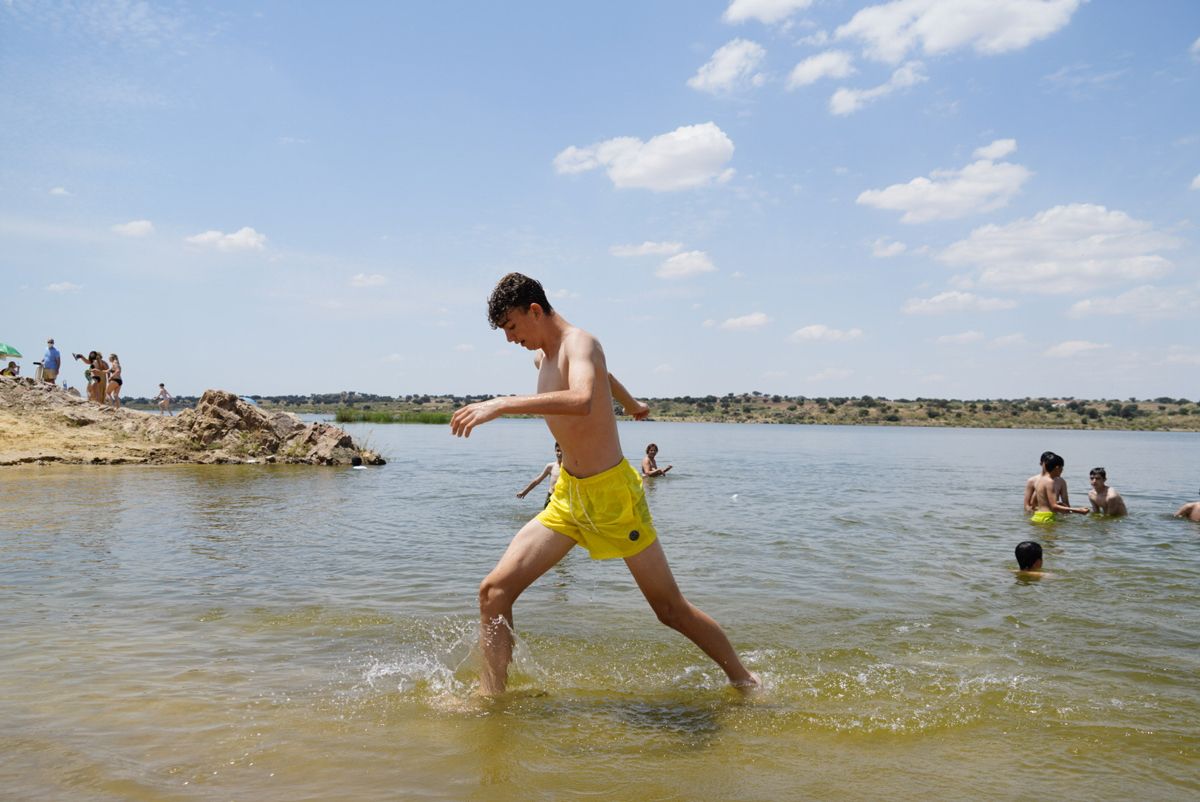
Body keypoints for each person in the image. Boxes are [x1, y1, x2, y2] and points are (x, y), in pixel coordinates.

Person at [450, 272, 759, 696]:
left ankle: (745, 681)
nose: (510, 339)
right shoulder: (543, 357)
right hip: (568, 498)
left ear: (534, 310)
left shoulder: (581, 342)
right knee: (494, 592)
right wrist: (633, 404)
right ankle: (492, 698)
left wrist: (502, 404)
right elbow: (604, 378)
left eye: (512, 327)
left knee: (669, 610)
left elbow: (583, 398)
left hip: (613, 497)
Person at [1030, 453, 1089, 523]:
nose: (1062, 470)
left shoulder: (1039, 480)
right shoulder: (1050, 482)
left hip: (1037, 516)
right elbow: (1054, 506)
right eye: (1062, 468)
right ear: (1057, 468)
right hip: (1047, 518)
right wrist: (1078, 510)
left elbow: (1032, 503)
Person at [516, 442, 563, 507]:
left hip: (563, 499)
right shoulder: (550, 466)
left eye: (562, 451)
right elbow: (537, 481)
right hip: (551, 497)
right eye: (558, 450)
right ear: (555, 451)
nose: (559, 453)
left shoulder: (570, 468)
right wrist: (525, 491)